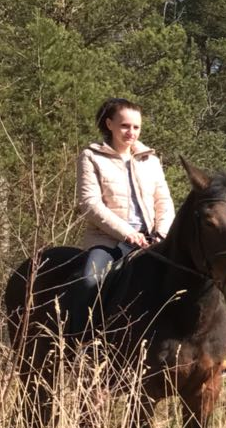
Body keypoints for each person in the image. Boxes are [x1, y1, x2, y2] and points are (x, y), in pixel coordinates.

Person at [71, 97, 175, 334]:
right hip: (108, 241)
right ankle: (78, 341)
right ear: (109, 124)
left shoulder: (151, 160)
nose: (131, 132)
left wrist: (161, 233)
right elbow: (89, 204)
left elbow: (164, 201)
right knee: (89, 281)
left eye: (136, 127)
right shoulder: (91, 157)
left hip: (152, 241)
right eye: (125, 126)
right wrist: (127, 233)